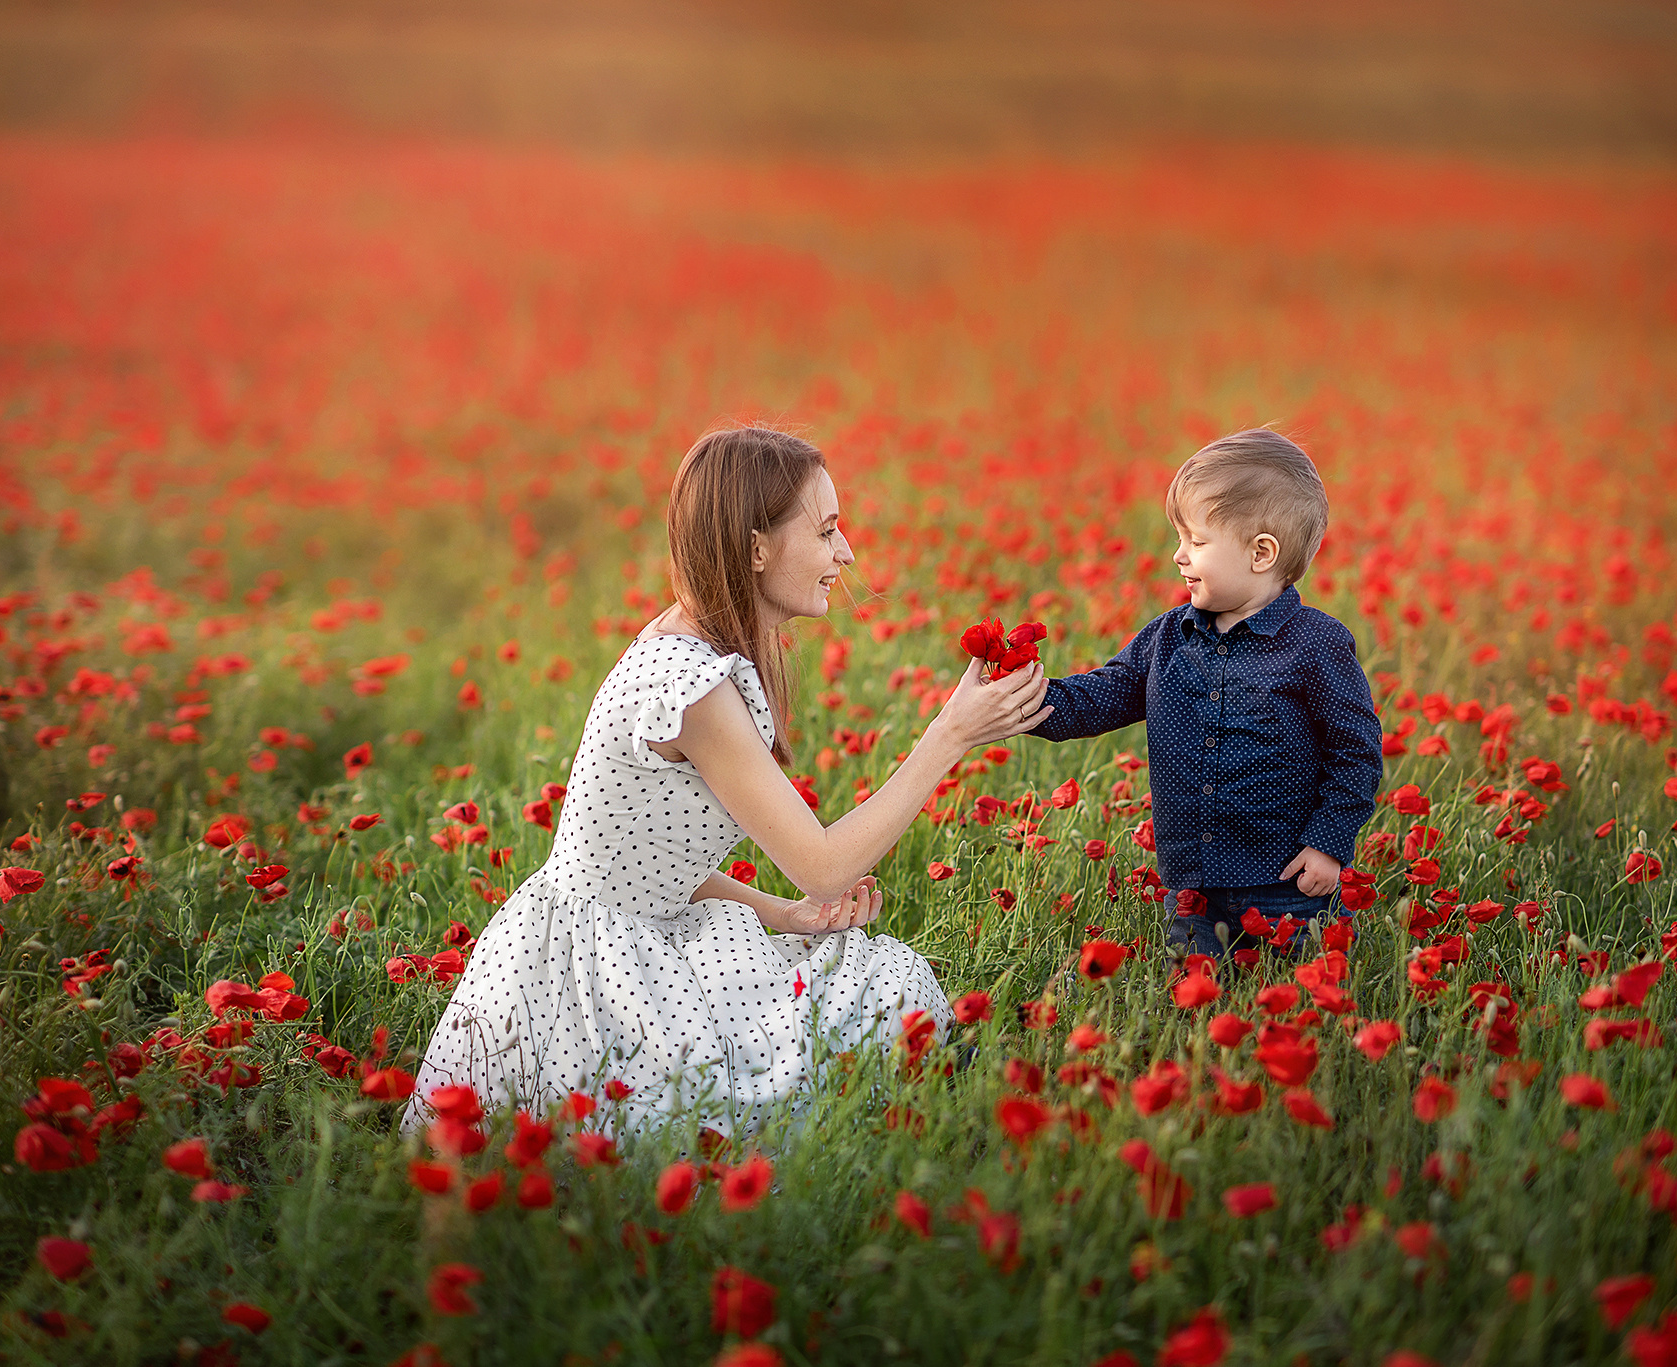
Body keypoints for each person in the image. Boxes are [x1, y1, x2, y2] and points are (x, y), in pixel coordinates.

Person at [403, 427, 1052, 1137]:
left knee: (880, 981)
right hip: (594, 984)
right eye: (828, 529)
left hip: (634, 933)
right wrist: (950, 734)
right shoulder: (691, 686)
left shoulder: (697, 646)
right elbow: (825, 866)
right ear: (755, 549)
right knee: (863, 1010)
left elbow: (642, 861)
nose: (848, 553)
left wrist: (783, 913)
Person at [1029, 428, 1381, 961]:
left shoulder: (1316, 645)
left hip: (1289, 881)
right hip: (1193, 887)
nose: (1178, 556)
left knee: (1296, 1006)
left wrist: (1328, 843)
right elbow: (1108, 692)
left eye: (1195, 541)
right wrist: (1027, 701)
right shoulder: (1169, 637)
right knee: (1196, 1008)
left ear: (1262, 553)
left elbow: (1355, 753)